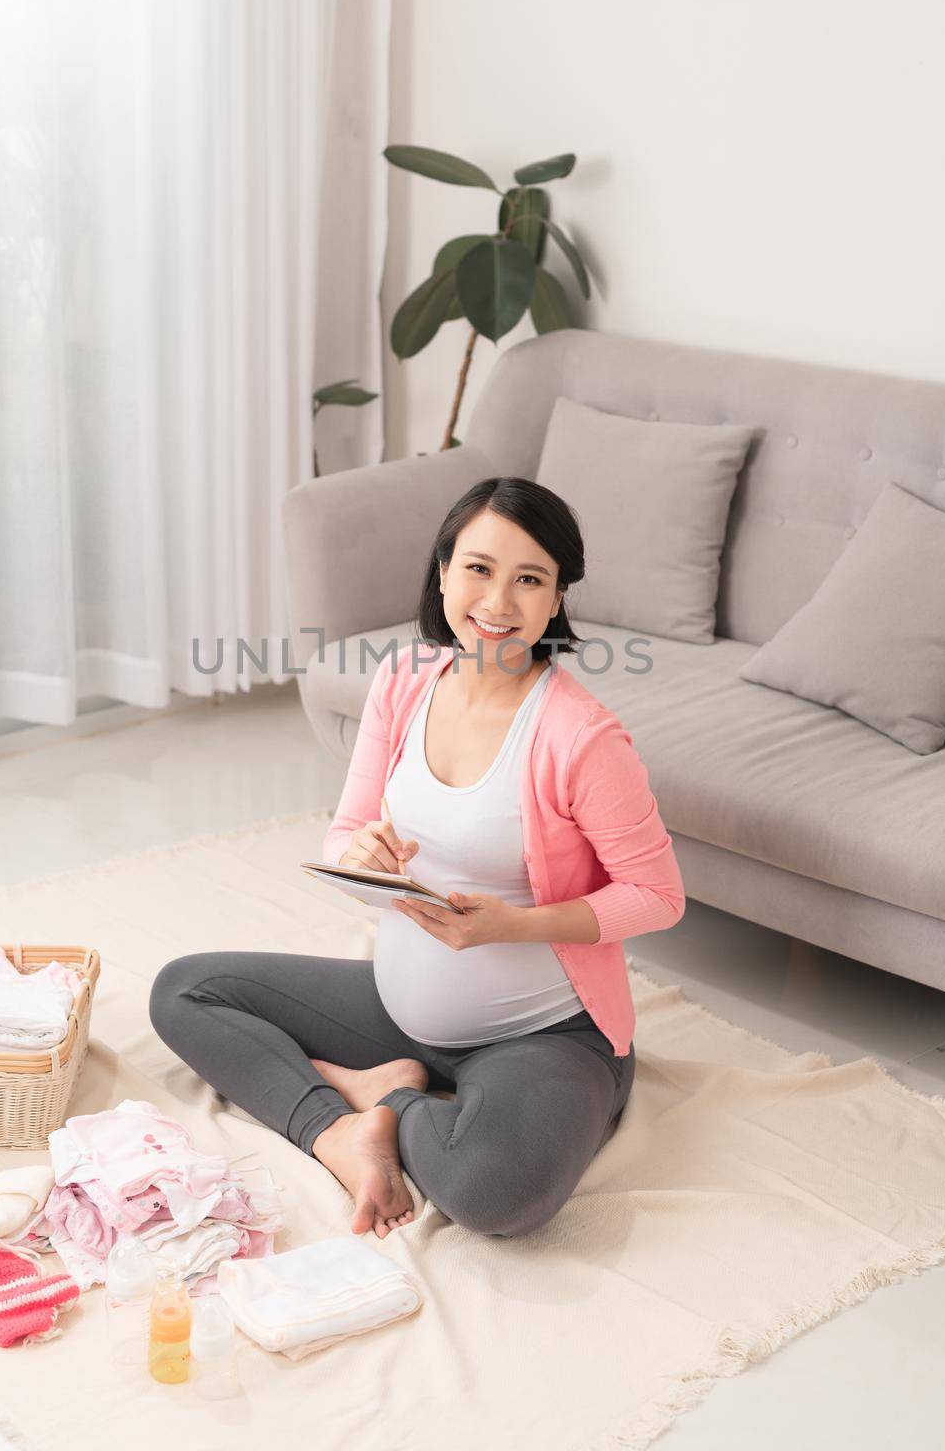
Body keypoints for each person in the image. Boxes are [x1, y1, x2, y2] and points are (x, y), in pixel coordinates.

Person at [149, 476, 685, 1240]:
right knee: (186, 989)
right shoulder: (403, 683)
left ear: (557, 596)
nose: (497, 602)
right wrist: (360, 853)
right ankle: (341, 1131)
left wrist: (514, 926)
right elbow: (346, 831)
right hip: (398, 1014)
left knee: (498, 1197)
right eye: (477, 568)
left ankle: (389, 1104)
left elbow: (657, 894)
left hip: (542, 1034)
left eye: (528, 579)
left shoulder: (580, 738)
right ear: (441, 573)